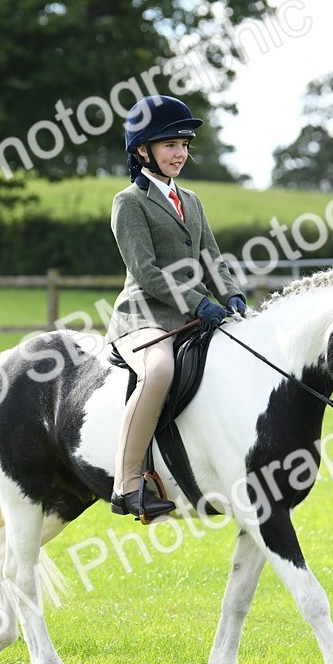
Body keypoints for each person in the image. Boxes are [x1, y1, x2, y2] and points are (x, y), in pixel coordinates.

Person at [106, 95, 247, 522]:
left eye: (185, 145)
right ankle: (127, 484)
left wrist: (232, 295)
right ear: (143, 150)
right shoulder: (129, 202)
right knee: (161, 371)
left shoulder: (192, 200)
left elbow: (212, 258)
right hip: (144, 317)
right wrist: (199, 302)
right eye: (170, 145)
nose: (180, 153)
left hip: (194, 314)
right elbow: (146, 271)